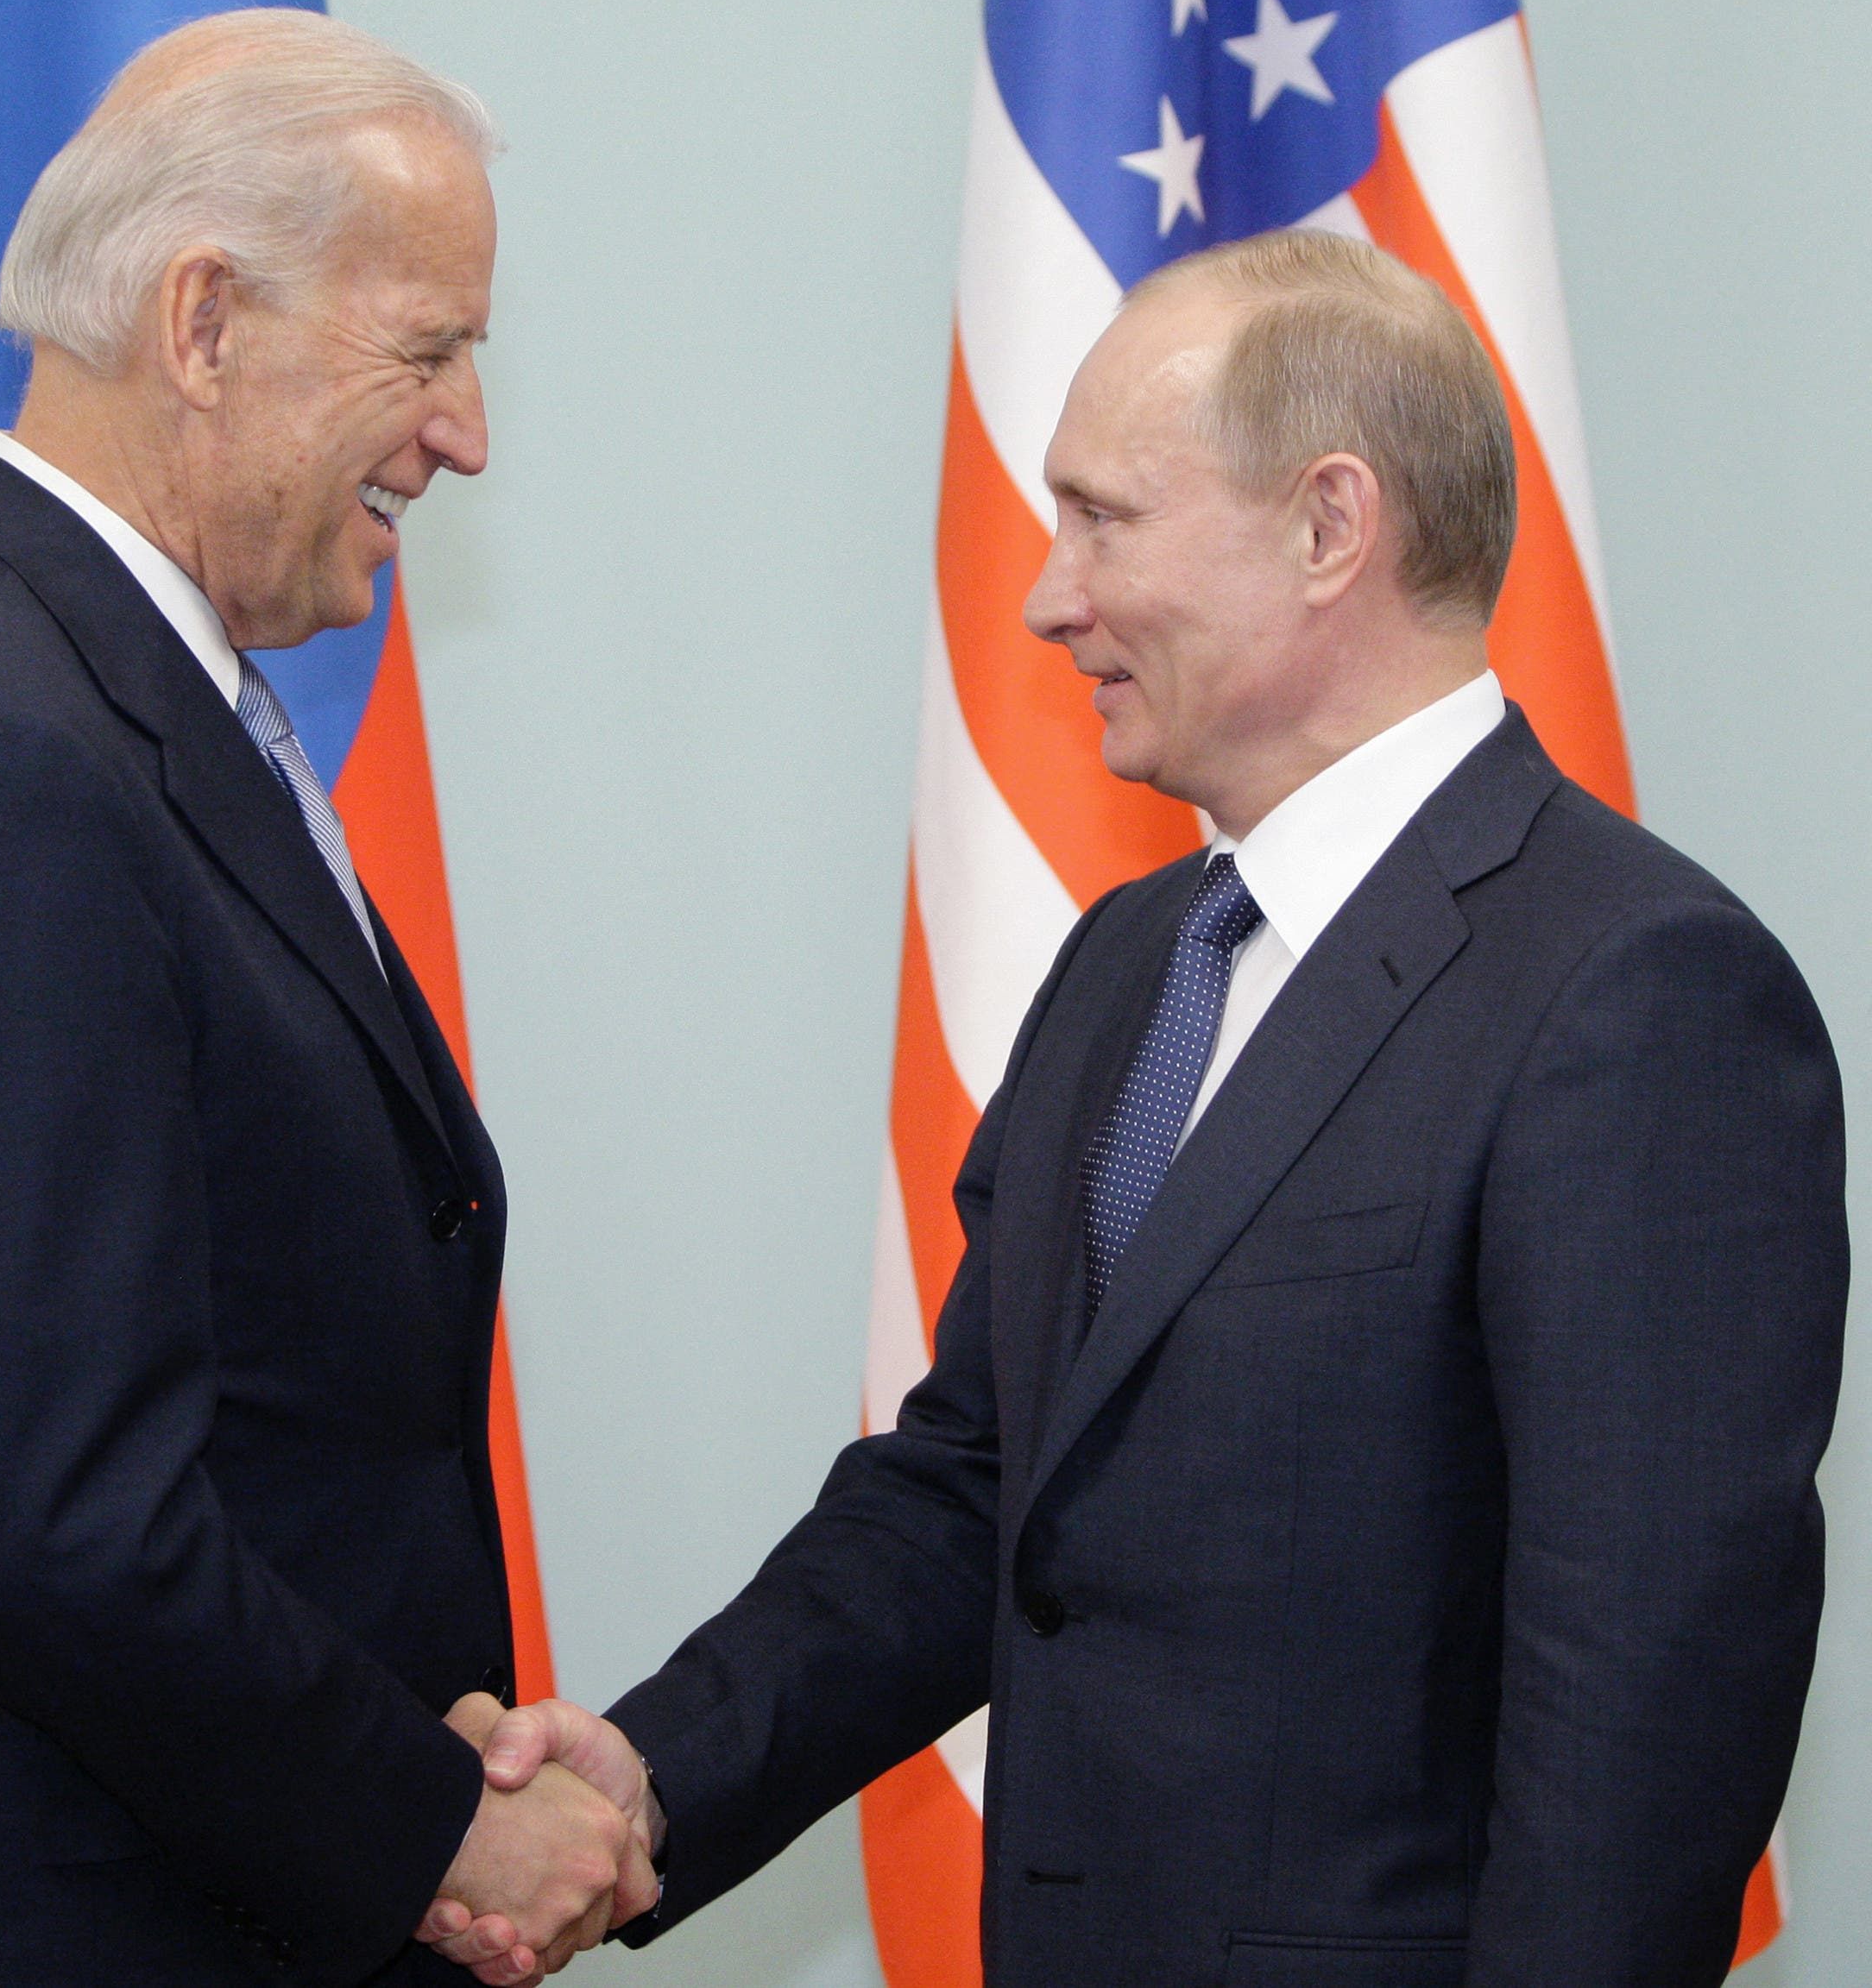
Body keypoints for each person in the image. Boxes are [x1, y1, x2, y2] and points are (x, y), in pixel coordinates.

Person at [423, 231, 1849, 1987]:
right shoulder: (1131, 959)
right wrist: (653, 1772)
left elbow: (1646, 1701)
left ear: (1329, 527)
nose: (1046, 596)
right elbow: (981, 1486)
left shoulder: (1634, 991)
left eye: (1104, 519)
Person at [0, 10, 650, 1987]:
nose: (468, 430)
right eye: (426, 350)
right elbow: (48, 1523)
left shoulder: (113, 712)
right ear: (203, 324)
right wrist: (434, 1823)